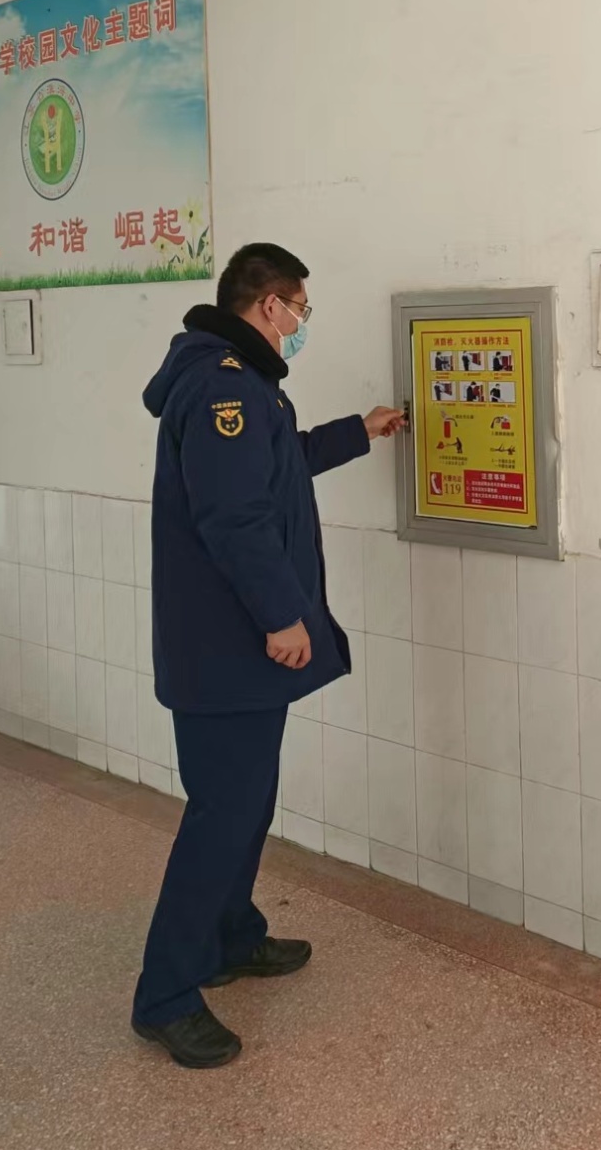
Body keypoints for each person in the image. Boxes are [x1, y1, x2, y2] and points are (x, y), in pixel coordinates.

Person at [132, 243, 405, 1069]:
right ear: (267, 303)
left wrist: (359, 432)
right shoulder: (224, 386)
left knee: (247, 805)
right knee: (221, 814)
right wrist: (283, 615)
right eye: (300, 309)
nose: (301, 323)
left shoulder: (245, 383)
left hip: (235, 649)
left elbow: (277, 468)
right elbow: (235, 516)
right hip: (230, 647)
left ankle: (231, 936)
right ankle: (166, 995)